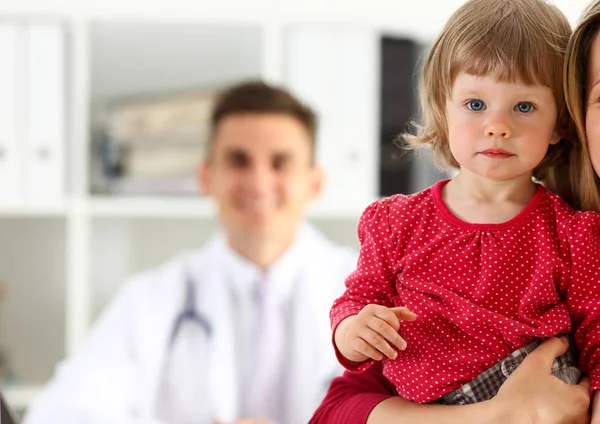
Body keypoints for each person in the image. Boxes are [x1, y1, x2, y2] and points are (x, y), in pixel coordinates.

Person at [311, 0, 600, 422]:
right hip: (426, 402)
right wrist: (353, 330)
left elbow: (595, 340)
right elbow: (359, 300)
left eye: (524, 107)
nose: (497, 125)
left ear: (559, 123)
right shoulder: (395, 221)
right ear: (442, 111)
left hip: (543, 391)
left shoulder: (574, 233)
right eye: (476, 104)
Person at [23, 81, 358, 424]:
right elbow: (60, 415)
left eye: (280, 163)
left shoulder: (370, 295)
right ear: (206, 177)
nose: (258, 182)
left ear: (315, 183)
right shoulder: (149, 299)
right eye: (238, 160)